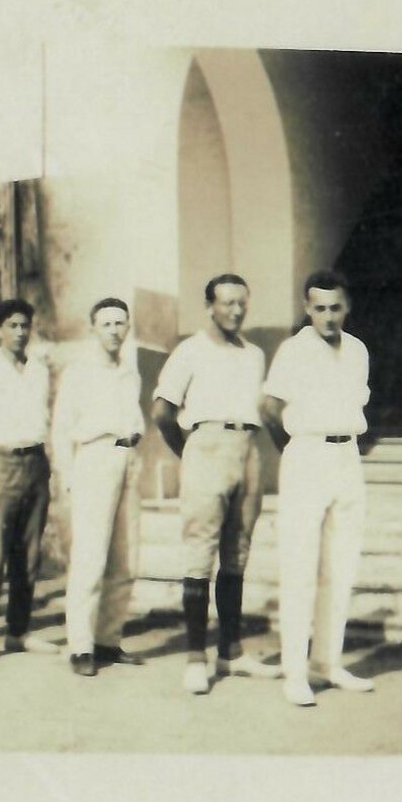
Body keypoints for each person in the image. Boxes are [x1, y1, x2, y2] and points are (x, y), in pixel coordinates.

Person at [150, 274, 282, 694]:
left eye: (242, 302)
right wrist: (188, 451)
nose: (236, 311)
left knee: (237, 551)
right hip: (205, 446)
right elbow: (161, 412)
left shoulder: (255, 355)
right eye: (226, 303)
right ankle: (195, 657)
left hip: (248, 448)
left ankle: (231, 651)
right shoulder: (190, 350)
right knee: (200, 554)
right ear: (209, 306)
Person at [261, 269, 375, 707]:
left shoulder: (359, 350)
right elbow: (269, 407)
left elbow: (356, 404)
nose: (329, 317)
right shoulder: (294, 350)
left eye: (336, 308)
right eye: (320, 308)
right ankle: (295, 671)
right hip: (306, 454)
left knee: (340, 567)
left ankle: (328, 662)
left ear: (347, 307)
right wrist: (293, 448)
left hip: (347, 456)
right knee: (300, 567)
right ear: (308, 309)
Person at [53, 298, 145, 677]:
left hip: (128, 459)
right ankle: (80, 646)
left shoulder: (130, 371)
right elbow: (60, 430)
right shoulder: (78, 373)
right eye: (106, 323)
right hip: (93, 459)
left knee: (126, 558)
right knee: (90, 557)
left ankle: (108, 639)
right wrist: (68, 479)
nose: (113, 330)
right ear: (93, 329)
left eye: (120, 323)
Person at [0, 299, 60, 662]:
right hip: (0, 461)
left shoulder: (39, 369)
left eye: (24, 326)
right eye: (12, 326)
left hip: (35, 460)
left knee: (28, 553)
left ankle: (18, 631)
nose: (20, 333)